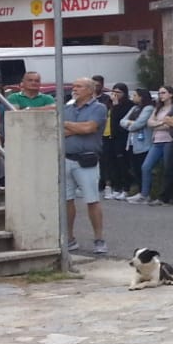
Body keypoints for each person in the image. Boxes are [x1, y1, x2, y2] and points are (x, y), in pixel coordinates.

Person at [62, 78, 108, 255]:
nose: (74, 89)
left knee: (92, 200)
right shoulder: (67, 107)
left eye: (79, 86)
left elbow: (90, 128)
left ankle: (99, 238)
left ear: (90, 90)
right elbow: (59, 129)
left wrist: (68, 125)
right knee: (67, 200)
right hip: (66, 158)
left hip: (86, 160)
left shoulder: (99, 108)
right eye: (74, 86)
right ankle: (70, 238)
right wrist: (77, 128)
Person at [136, 86, 173, 204]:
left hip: (169, 140)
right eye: (159, 93)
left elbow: (171, 125)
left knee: (167, 168)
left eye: (163, 93)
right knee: (146, 166)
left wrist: (157, 124)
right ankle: (145, 194)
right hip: (156, 141)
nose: (161, 95)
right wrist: (162, 122)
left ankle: (165, 195)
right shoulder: (158, 108)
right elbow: (149, 123)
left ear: (171, 94)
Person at [119, 88, 154, 201]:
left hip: (143, 142)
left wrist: (131, 124)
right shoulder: (134, 108)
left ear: (141, 97)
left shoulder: (148, 108)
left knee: (142, 167)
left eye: (135, 95)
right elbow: (122, 121)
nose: (132, 97)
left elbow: (139, 123)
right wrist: (131, 123)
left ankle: (145, 192)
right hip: (132, 142)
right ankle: (140, 190)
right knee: (134, 167)